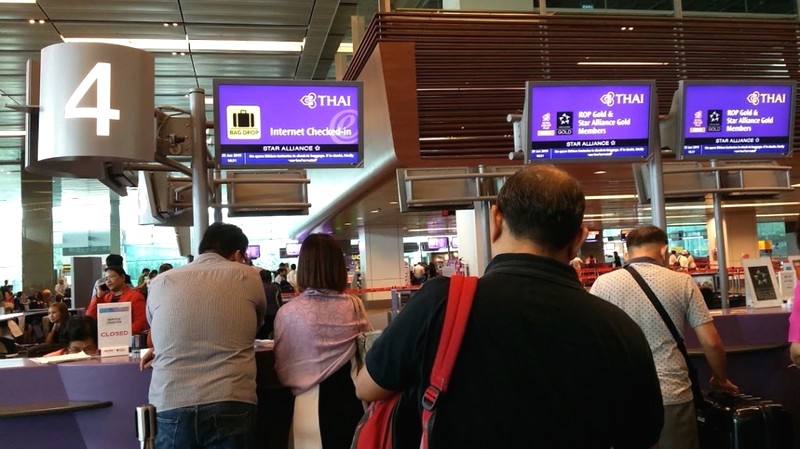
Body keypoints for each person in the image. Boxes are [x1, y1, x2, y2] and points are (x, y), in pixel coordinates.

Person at [355, 165, 663, 448]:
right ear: (579, 237)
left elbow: (367, 387)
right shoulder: (619, 329)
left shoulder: (442, 301)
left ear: (496, 219)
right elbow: (643, 437)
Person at [590, 225, 738, 449]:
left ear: (628, 252)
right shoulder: (683, 282)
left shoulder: (603, 283)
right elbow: (711, 341)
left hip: (622, 394)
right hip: (671, 392)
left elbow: (593, 340)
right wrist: (720, 377)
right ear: (664, 251)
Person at [141, 222, 266, 449]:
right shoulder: (248, 275)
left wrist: (166, 347)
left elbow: (157, 329)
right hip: (231, 399)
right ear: (239, 254)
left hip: (170, 402)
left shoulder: (161, 281)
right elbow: (253, 326)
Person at [274, 233, 372, 449]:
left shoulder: (287, 312)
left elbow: (283, 368)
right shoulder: (353, 305)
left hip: (307, 406)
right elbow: (368, 349)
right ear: (338, 267)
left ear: (304, 268)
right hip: (352, 400)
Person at [86, 266, 148, 335]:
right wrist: (98, 297)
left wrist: (119, 333)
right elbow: (89, 318)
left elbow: (141, 322)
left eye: (111, 277)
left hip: (126, 338)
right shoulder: (105, 297)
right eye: (106, 279)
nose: (108, 281)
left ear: (122, 278)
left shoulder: (135, 296)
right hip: (106, 337)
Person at [257, 269, 282, 339]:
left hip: (261, 316)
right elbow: (279, 303)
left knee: (261, 336)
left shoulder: (257, 287)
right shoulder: (276, 288)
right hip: (274, 315)